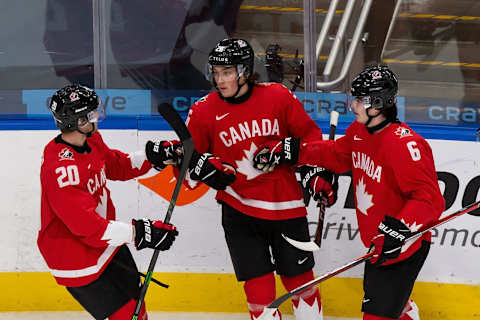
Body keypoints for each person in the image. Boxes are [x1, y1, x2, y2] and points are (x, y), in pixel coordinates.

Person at [147, 38, 337, 320]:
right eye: (216, 72)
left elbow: (308, 139)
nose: (220, 79)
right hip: (239, 211)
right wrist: (199, 168)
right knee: (258, 291)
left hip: (285, 207)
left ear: (245, 71)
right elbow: (187, 173)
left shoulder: (278, 96)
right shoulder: (203, 110)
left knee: (300, 284)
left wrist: (315, 172)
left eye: (227, 72)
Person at [253, 66, 445, 320]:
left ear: (376, 104)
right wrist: (294, 150)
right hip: (380, 243)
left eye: (358, 100)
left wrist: (399, 229)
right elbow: (336, 154)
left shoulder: (404, 145)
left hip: (402, 247)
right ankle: (405, 312)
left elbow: (430, 199)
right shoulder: (360, 132)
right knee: (392, 308)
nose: (352, 105)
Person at [37, 84, 179, 320]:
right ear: (77, 121)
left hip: (107, 245)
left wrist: (154, 156)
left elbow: (116, 165)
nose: (97, 117)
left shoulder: (91, 141)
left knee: (137, 308)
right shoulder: (61, 169)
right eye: (92, 114)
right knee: (124, 316)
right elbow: (87, 227)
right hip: (77, 260)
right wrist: (138, 232)